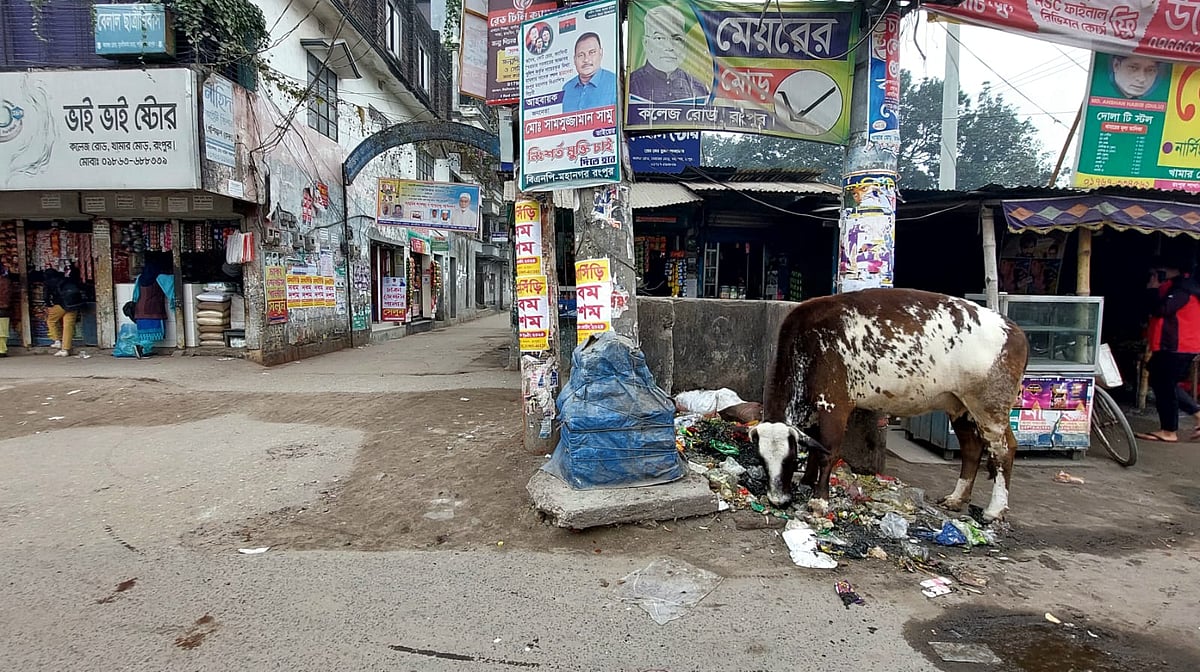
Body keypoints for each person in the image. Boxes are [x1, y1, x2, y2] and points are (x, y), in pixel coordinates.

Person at [1136, 256, 1200, 443]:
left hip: (1176, 345)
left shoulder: (1182, 289)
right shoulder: (1182, 286)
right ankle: (1177, 424)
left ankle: (1170, 429)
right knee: (1163, 382)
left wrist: (1154, 289)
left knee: (1165, 384)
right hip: (1175, 345)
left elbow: (1161, 310)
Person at [628, 5, 709, 103]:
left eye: (677, 39)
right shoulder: (631, 85)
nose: (669, 47)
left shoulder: (698, 88)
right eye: (659, 38)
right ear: (646, 43)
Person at [561, 32, 618, 113]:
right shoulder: (566, 89)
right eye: (581, 55)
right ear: (574, 59)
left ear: (601, 53)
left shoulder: (614, 83)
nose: (586, 60)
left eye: (592, 52)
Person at [131, 255, 175, 358]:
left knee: (145, 333)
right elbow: (172, 284)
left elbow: (135, 295)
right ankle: (141, 348)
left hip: (140, 310)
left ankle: (146, 351)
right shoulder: (160, 277)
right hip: (153, 310)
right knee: (152, 333)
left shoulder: (140, 278)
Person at [44, 263, 86, 357]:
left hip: (61, 304)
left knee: (51, 320)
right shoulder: (66, 279)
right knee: (68, 326)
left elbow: (46, 296)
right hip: (74, 303)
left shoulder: (48, 282)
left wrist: (48, 305)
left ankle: (57, 340)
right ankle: (65, 350)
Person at [0, 262, 14, 357]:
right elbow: (7, 296)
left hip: (3, 308)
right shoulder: (5, 281)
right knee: (3, 331)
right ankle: (2, 350)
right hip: (3, 309)